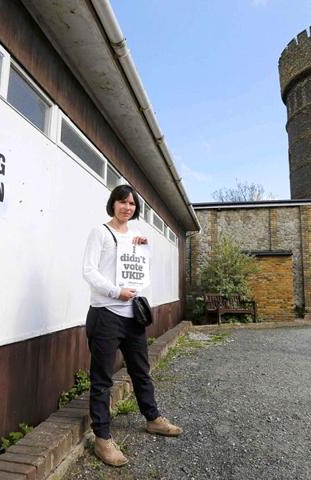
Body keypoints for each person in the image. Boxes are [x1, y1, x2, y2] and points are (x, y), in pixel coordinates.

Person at [82, 185, 182, 467]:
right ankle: (102, 438)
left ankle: (153, 419)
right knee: (102, 378)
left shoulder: (138, 238)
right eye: (122, 202)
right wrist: (116, 292)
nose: (127, 207)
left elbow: (143, 272)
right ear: (112, 204)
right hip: (106, 314)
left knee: (141, 370)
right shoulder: (100, 232)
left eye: (132, 204)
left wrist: (142, 252)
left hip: (133, 316)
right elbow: (88, 270)